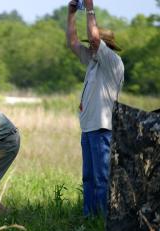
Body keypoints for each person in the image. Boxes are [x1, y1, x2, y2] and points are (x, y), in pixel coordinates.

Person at [66, 0, 124, 216]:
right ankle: (89, 217)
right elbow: (73, 42)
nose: (89, 45)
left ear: (104, 45)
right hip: (89, 128)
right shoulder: (93, 62)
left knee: (101, 178)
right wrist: (71, 13)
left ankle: (101, 220)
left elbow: (94, 38)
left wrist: (89, 8)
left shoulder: (111, 60)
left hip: (102, 129)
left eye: (93, 43)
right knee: (89, 177)